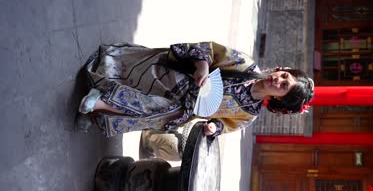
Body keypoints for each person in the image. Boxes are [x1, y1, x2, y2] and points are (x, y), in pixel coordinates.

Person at [76, 41, 314, 137]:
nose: (278, 80)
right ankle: (98, 100)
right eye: (284, 75)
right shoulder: (245, 64)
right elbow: (208, 49)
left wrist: (213, 127)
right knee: (162, 106)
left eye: (284, 86)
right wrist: (202, 66)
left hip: (185, 109)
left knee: (160, 115)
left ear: (280, 100)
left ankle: (97, 110)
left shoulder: (248, 115)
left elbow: (223, 125)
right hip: (179, 78)